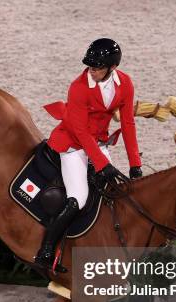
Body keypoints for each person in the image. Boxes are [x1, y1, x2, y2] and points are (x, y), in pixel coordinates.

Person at [34, 38, 143, 271]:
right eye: (90, 67)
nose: (91, 71)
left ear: (112, 67)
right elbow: (81, 132)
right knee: (79, 198)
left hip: (99, 142)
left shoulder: (125, 83)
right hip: (73, 144)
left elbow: (128, 123)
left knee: (113, 194)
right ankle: (46, 251)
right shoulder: (79, 87)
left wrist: (135, 163)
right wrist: (103, 164)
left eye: (97, 68)